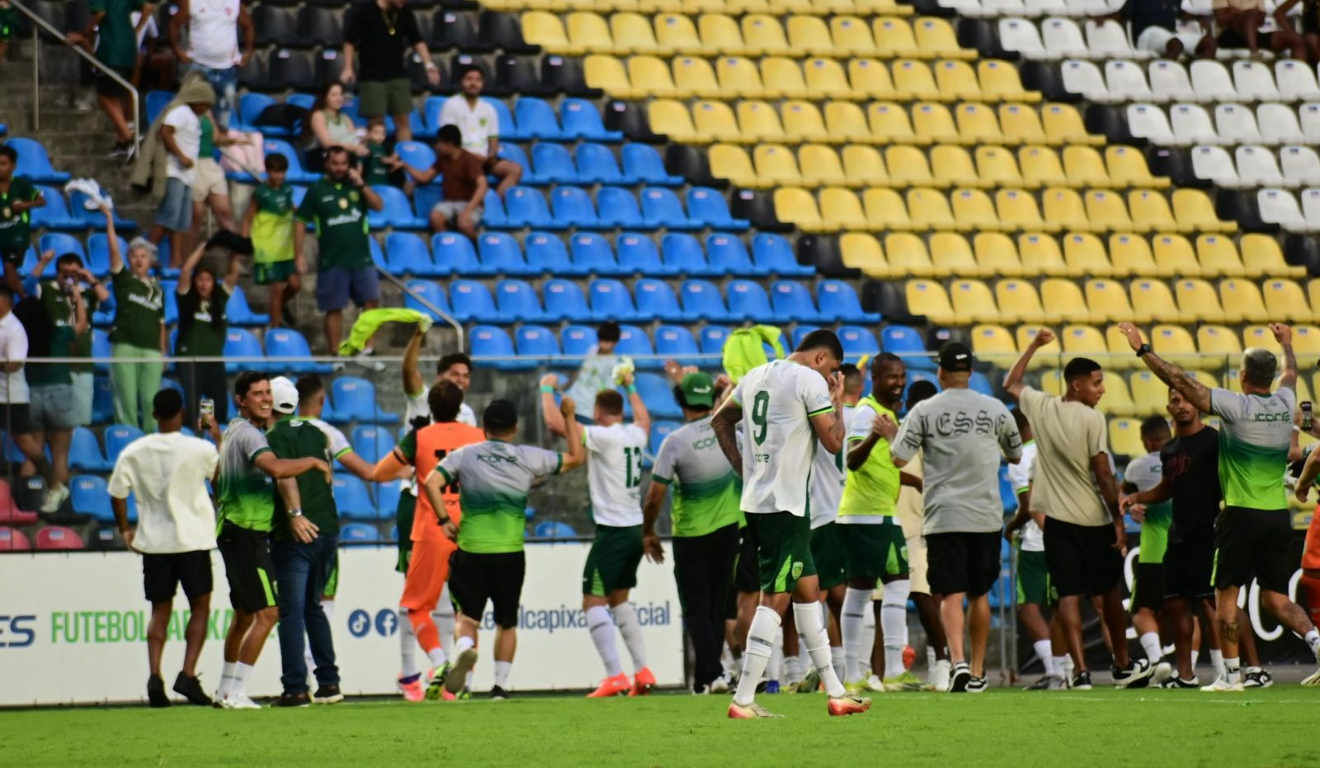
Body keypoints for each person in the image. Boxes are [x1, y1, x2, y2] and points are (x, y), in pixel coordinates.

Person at [1121, 322, 1320, 689]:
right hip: (1278, 513)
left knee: (1225, 595)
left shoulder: (1236, 406)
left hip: (1241, 514)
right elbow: (1291, 374)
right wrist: (1288, 345)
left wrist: (1143, 349)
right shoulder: (1285, 401)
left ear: (1243, 376)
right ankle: (1317, 643)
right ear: (1271, 377)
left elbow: (1181, 380)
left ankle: (1229, 675)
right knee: (1277, 599)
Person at [710, 329, 870, 719]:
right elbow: (834, 445)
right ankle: (743, 699)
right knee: (774, 599)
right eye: (834, 369)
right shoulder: (809, 381)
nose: (835, 376)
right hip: (786, 506)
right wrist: (835, 401)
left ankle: (836, 693)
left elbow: (720, 420)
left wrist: (745, 470)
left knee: (808, 592)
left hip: (763, 502)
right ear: (820, 359)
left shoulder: (757, 375)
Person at [1004, 329, 1154, 690]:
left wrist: (1034, 346)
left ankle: (1081, 672)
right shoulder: (1091, 419)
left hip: (1056, 524)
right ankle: (1121, 663)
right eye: (1097, 383)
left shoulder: (1040, 407)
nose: (1102, 390)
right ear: (1076, 385)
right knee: (1108, 595)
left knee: (1067, 597)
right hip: (1092, 520)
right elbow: (1103, 473)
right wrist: (1117, 520)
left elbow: (1011, 383)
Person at [419, 398, 586, 699]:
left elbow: (431, 482)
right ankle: (500, 686)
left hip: (471, 550)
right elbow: (575, 457)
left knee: (466, 619)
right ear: (515, 428)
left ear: (484, 428)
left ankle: (465, 650)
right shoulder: (527, 456)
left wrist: (444, 519)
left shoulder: (465, 455)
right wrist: (569, 417)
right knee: (506, 623)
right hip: (510, 552)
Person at [880, 342, 1023, 693]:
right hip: (985, 515)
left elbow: (899, 458)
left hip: (944, 515)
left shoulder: (925, 410)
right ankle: (977, 671)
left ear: (940, 372)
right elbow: (1016, 454)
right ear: (971, 373)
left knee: (948, 593)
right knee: (978, 594)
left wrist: (889, 435)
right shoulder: (995, 409)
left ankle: (957, 661)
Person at [212, 371, 332, 710]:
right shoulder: (251, 436)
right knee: (269, 613)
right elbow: (275, 469)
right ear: (241, 400)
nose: (264, 399)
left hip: (235, 530)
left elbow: (217, 478)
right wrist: (311, 461)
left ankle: (223, 689)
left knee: (245, 615)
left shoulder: (236, 430)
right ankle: (236, 693)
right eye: (257, 394)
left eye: (267, 393)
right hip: (247, 533)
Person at [540, 369, 655, 698]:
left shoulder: (606, 436)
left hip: (614, 533)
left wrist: (546, 390)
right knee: (619, 601)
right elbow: (645, 420)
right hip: (633, 529)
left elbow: (555, 425)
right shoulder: (636, 434)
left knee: (592, 601)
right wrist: (631, 384)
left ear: (600, 412)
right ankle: (643, 670)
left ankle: (614, 675)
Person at [371, 380, 483, 701]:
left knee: (417, 606)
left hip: (434, 528)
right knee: (467, 608)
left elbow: (380, 473)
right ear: (461, 405)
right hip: (471, 530)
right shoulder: (478, 437)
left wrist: (414, 459)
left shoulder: (419, 437)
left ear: (430, 409)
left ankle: (440, 662)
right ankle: (463, 647)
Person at [108, 388, 220, 708]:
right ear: (182, 413)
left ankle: (154, 674)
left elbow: (117, 491)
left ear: (155, 415)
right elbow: (220, 481)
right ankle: (187, 674)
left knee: (160, 610)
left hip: (155, 543)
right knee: (200, 607)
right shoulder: (199, 448)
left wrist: (125, 528)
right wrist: (217, 438)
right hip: (192, 539)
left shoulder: (135, 450)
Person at [266, 375, 370, 707]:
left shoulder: (271, 437)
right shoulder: (318, 432)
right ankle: (329, 682)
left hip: (296, 532)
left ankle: (296, 687)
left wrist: (295, 515)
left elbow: (285, 476)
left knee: (291, 611)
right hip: (327, 529)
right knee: (314, 608)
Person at [390, 332, 476, 699]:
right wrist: (417, 338)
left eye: (465, 375)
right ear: (440, 376)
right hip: (418, 505)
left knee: (459, 600)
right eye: (454, 374)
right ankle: (410, 674)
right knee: (415, 597)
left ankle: (457, 680)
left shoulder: (470, 417)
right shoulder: (423, 402)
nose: (461, 380)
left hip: (459, 510)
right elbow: (408, 372)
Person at [643, 372, 741, 695]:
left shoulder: (675, 442)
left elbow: (655, 496)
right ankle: (705, 678)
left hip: (691, 536)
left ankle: (711, 673)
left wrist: (648, 531)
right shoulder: (730, 429)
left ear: (681, 401)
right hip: (729, 530)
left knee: (697, 607)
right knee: (715, 605)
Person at [1121, 388, 1227, 688]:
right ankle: (1186, 675)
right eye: (1174, 400)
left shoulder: (1215, 441)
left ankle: (1228, 670)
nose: (1180, 405)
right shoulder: (1170, 450)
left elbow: (1231, 479)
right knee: (1176, 605)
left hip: (1209, 533)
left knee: (1211, 606)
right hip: (1178, 536)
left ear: (1198, 405)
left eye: (1186, 400)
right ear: (1168, 406)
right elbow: (1167, 487)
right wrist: (1138, 497)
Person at [837, 353, 923, 693]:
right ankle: (891, 671)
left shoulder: (884, 414)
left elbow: (880, 467)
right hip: (870, 515)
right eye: (892, 377)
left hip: (866, 513)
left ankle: (855, 676)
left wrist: (911, 481)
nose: (899, 382)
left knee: (859, 592)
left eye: (902, 376)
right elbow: (853, 460)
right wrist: (877, 436)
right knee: (898, 584)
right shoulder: (867, 413)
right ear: (876, 379)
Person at [797, 363, 863, 692]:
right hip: (839, 513)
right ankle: (841, 669)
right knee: (839, 596)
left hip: (825, 514)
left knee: (819, 594)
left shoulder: (824, 418)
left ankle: (827, 670)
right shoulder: (857, 417)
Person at [30, 247, 105, 510]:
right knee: (42, 441)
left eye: (74, 274)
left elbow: (108, 301)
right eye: (65, 274)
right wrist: (43, 263)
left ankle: (60, 497)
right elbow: (27, 287)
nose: (69, 279)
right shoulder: (46, 290)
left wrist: (87, 282)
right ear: (58, 274)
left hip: (81, 366)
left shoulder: (85, 295)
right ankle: (39, 494)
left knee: (72, 431)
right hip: (53, 369)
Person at [294, 146, 384, 355]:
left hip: (362, 258)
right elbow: (300, 221)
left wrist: (362, 185)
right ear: (327, 164)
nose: (339, 168)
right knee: (334, 307)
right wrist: (298, 255)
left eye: (344, 164)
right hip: (332, 260)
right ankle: (335, 352)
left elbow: (379, 205)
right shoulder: (317, 190)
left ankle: (369, 349)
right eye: (335, 164)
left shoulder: (356, 187)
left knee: (371, 303)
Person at [892, 378, 950, 690]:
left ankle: (941, 664)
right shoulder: (899, 432)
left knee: (927, 597)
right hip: (894, 522)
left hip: (924, 527)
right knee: (884, 599)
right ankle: (885, 668)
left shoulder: (939, 437)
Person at [1003, 407, 1063, 690]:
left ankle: (1053, 670)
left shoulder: (1019, 460)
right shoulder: (1052, 450)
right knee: (1062, 605)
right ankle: (1070, 669)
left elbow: (1028, 506)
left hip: (1037, 541)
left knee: (1028, 607)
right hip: (1066, 534)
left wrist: (1010, 527)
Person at [1121, 416, 1176, 685]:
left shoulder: (1137, 467)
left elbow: (1122, 496)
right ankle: (1186, 672)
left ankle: (1157, 662)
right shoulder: (1187, 461)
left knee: (1142, 611)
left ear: (1147, 441)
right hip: (1188, 546)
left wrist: (1131, 505)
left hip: (1155, 550)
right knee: (1184, 611)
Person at [341, 0, 440, 143]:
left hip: (398, 74)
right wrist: (348, 67)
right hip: (372, 75)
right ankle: (375, 159)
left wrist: (429, 64)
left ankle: (405, 157)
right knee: (375, 122)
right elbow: (349, 42)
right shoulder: (365, 12)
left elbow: (417, 40)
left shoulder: (405, 12)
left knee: (403, 121)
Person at [69, 0, 156, 157]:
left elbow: (100, 12)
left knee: (104, 97)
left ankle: (130, 138)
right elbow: (149, 7)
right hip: (129, 51)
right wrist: (136, 31)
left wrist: (86, 31)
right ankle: (122, 141)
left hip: (112, 53)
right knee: (115, 95)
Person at [107, 208, 167, 433]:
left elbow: (161, 323)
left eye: (144, 256)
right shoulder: (124, 280)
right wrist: (110, 218)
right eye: (134, 255)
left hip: (152, 350)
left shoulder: (159, 290)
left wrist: (163, 352)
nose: (139, 259)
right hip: (125, 345)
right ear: (129, 259)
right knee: (126, 400)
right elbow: (113, 250)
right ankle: (127, 440)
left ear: (151, 260)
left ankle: (152, 441)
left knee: (153, 401)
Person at [148, 83, 215, 267]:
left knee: (182, 221)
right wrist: (181, 156)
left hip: (187, 175)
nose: (207, 109)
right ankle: (148, 251)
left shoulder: (195, 117)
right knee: (169, 213)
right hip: (174, 171)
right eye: (206, 104)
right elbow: (165, 131)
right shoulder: (181, 111)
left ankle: (175, 260)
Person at [175, 241, 239, 426]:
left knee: (218, 405)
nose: (204, 284)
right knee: (193, 403)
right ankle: (195, 436)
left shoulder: (219, 298)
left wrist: (235, 252)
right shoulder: (185, 299)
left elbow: (233, 274)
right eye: (200, 279)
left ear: (213, 283)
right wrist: (203, 247)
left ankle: (209, 435)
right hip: (190, 360)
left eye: (208, 279)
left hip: (213, 360)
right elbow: (186, 270)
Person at [167, 0, 253, 131]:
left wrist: (248, 51)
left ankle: (219, 146)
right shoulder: (192, 2)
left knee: (224, 114)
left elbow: (248, 26)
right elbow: (174, 25)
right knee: (195, 113)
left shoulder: (234, 3)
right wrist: (177, 51)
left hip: (227, 68)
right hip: (199, 66)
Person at [437, 65, 522, 197]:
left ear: (482, 84)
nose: (473, 83)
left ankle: (495, 203)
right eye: (469, 79)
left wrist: (491, 156)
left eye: (478, 80)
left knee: (515, 170)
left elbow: (493, 138)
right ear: (461, 82)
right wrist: (472, 157)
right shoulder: (451, 105)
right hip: (461, 158)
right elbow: (448, 140)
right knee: (476, 179)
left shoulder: (488, 108)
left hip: (484, 159)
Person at [391, 125, 486, 239]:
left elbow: (482, 186)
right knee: (435, 217)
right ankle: (447, 246)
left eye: (440, 142)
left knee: (464, 224)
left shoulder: (469, 160)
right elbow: (425, 177)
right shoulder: (443, 159)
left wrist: (468, 210)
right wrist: (405, 165)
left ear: (449, 144)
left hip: (469, 204)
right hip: (449, 203)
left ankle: (476, 249)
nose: (437, 146)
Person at [241, 153, 299, 329]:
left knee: (295, 285)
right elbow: (248, 218)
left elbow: (290, 208)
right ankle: (274, 328)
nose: (278, 176)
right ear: (267, 172)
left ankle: (279, 308)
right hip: (267, 246)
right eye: (274, 172)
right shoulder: (260, 193)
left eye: (281, 172)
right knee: (275, 288)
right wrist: (244, 241)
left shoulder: (288, 190)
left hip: (285, 246)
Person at [187, 108, 244, 252]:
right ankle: (183, 264)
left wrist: (235, 140)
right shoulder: (182, 110)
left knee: (225, 213)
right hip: (192, 165)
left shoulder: (206, 111)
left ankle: (234, 264)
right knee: (196, 217)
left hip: (210, 164)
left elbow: (216, 138)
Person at [0, 145, 45, 298]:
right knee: (7, 276)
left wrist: (25, 205)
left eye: (3, 164)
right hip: (1, 235)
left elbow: (41, 200)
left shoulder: (21, 185)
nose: (0, 168)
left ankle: (25, 300)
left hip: (17, 236)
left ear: (13, 166)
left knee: (8, 267)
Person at [1099, 0, 1216, 58]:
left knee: (1209, 43)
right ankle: (1165, 73)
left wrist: (1200, 18)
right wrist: (1102, 17)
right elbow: (1122, 14)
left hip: (1170, 35)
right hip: (1147, 34)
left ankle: (1198, 76)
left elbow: (1182, 13)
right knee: (1175, 44)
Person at [564, 322, 627, 423]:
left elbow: (608, 392)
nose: (603, 344)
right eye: (601, 340)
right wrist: (564, 387)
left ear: (616, 342)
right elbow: (581, 372)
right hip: (572, 403)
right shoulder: (592, 350)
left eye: (607, 341)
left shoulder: (613, 364)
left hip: (587, 411)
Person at [302, 81, 368, 171]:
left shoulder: (345, 117)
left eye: (341, 95)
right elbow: (327, 144)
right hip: (322, 156)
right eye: (334, 95)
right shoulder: (318, 115)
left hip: (343, 156)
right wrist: (353, 148)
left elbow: (353, 139)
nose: (339, 98)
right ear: (325, 97)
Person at [1213, 0, 1305, 57]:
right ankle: (1254, 51)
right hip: (1229, 35)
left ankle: (1300, 81)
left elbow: (1261, 19)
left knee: (1295, 39)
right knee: (1250, 16)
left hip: (1253, 34)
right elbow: (1221, 20)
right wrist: (1246, 14)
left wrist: (1236, 12)